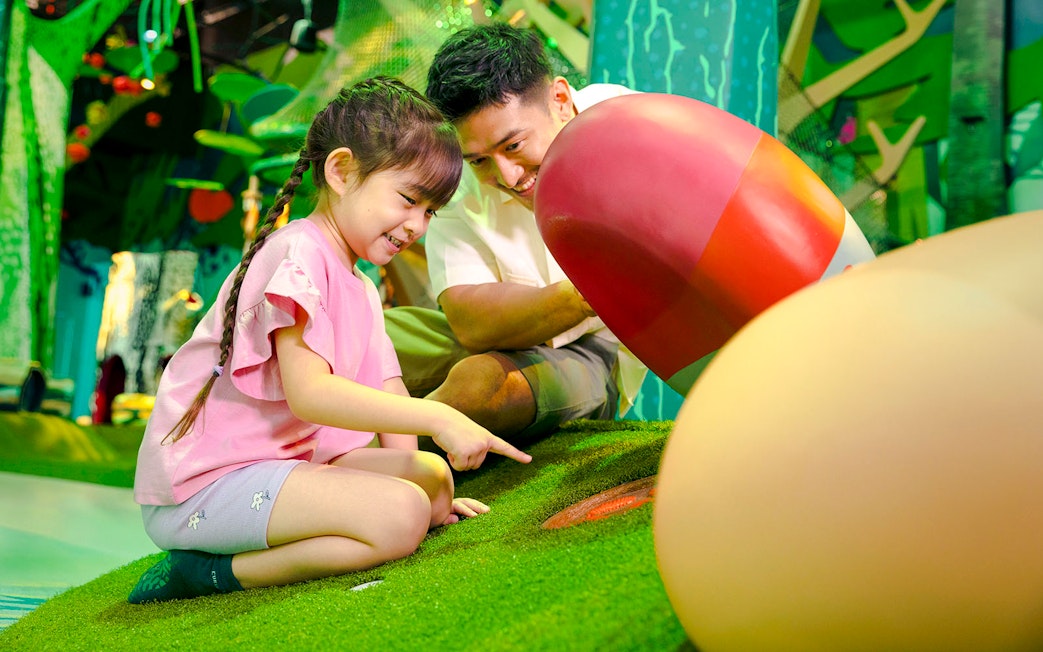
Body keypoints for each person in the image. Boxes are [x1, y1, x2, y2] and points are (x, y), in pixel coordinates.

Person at [128, 77, 531, 605]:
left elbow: (389, 391)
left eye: (430, 211)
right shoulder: (298, 252)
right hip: (206, 487)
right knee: (402, 515)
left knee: (432, 483)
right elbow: (311, 394)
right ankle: (206, 574)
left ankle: (398, 510)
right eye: (408, 199)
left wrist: (420, 484)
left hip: (281, 467)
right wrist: (438, 418)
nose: (417, 225)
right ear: (341, 172)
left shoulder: (360, 285)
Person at [387, 22, 646, 442]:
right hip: (493, 336)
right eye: (479, 161)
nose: (507, 176)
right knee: (346, 331)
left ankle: (368, 457)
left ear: (560, 100)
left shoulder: (631, 123)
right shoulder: (456, 185)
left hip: (594, 350)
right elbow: (470, 324)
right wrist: (580, 296)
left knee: (478, 388)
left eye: (513, 146)